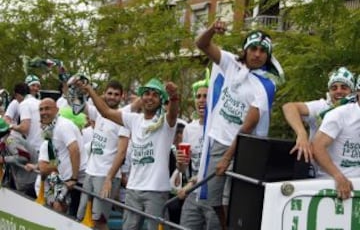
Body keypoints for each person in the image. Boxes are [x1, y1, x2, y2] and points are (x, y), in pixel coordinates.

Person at [195, 20, 284, 228]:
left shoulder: (266, 85)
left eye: (263, 51)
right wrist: (211, 30)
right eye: (253, 48)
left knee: (234, 200)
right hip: (219, 141)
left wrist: (227, 158)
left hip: (242, 148)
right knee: (213, 199)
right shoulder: (231, 63)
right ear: (245, 50)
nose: (257, 54)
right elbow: (201, 44)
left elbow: (248, 127)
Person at [76, 77, 179, 230]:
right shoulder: (134, 119)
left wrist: (174, 97)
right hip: (132, 189)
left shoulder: (165, 122)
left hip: (156, 191)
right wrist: (89, 90)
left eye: (155, 95)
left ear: (161, 99)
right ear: (141, 97)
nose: (149, 97)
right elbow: (105, 112)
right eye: (146, 93)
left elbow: (173, 114)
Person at [77, 80, 131, 230]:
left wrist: (109, 178)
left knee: (99, 221)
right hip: (90, 173)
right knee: (82, 217)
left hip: (106, 176)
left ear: (122, 97)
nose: (112, 97)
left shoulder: (123, 119)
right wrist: (78, 88)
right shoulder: (98, 113)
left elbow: (121, 153)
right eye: (109, 93)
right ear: (104, 94)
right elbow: (77, 104)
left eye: (116, 94)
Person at [282, 66, 355, 165]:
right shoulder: (321, 107)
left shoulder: (356, 111)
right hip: (319, 175)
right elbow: (289, 107)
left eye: (344, 87)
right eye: (334, 88)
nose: (338, 91)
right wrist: (301, 134)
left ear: (352, 92)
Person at [176, 74, 221, 229]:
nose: (201, 99)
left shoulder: (220, 127)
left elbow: (217, 165)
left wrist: (190, 184)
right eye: (198, 96)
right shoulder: (189, 128)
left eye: (206, 96)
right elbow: (183, 168)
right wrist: (180, 163)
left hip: (213, 193)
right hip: (192, 193)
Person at [37, 98, 86, 216]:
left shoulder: (63, 125)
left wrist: (73, 178)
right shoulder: (50, 129)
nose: (43, 112)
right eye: (41, 109)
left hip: (77, 181)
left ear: (57, 110)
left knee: (74, 220)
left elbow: (74, 150)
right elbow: (56, 156)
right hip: (65, 180)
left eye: (47, 108)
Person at [312, 85, 360, 200]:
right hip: (333, 187)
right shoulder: (340, 114)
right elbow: (317, 147)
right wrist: (338, 176)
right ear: (358, 92)